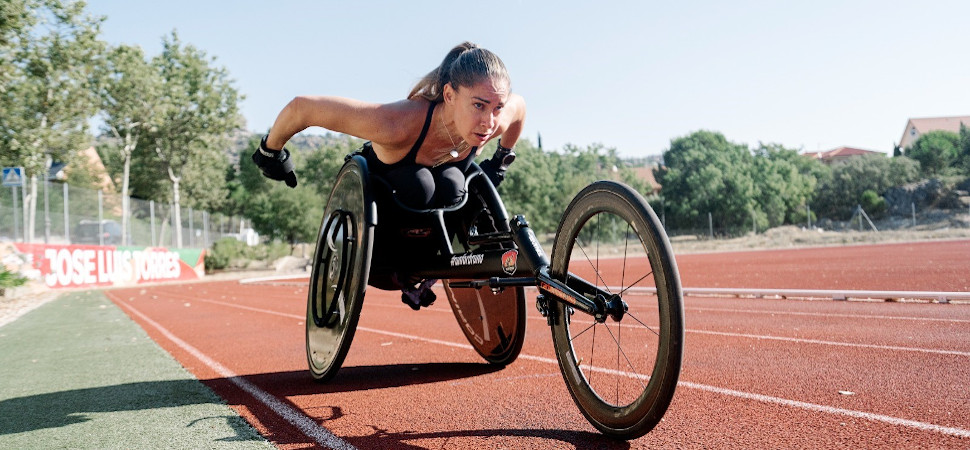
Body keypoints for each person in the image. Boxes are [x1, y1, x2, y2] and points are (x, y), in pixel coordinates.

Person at [252, 41, 526, 209]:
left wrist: (500, 162)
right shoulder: (397, 123)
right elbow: (303, 107)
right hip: (387, 192)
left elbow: (519, 108)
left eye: (497, 108)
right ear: (450, 96)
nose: (489, 122)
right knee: (420, 185)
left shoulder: (493, 120)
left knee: (458, 187)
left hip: (437, 207)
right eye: (479, 105)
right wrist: (270, 151)